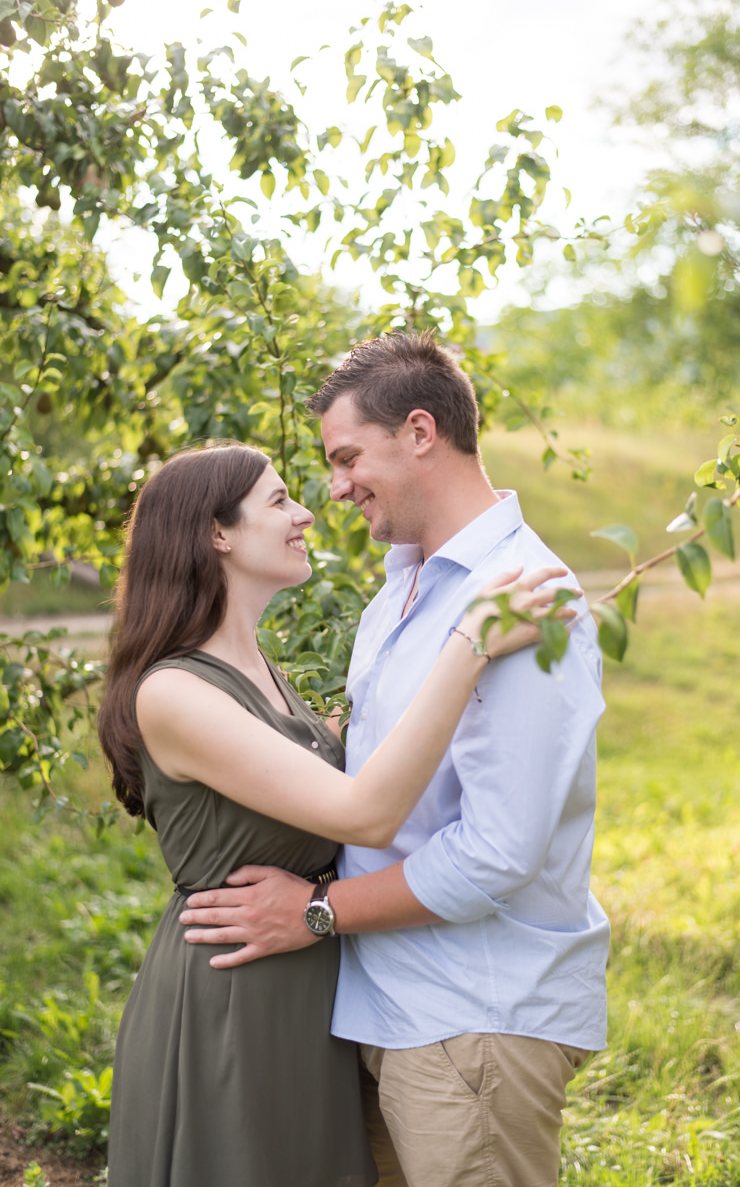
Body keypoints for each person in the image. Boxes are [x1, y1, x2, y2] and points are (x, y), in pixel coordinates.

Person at [179, 332, 611, 1187]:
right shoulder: (401, 588)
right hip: (390, 1008)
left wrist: (315, 911)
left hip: (475, 1017)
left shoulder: (523, 597)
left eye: (346, 457)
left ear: (420, 432)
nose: (333, 488)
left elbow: (496, 852)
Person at [96, 440, 572, 1187]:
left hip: (311, 993)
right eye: (280, 500)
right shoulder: (174, 693)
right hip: (235, 997)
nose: (308, 512)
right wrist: (470, 641)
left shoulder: (261, 672)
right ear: (217, 532)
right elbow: (366, 811)